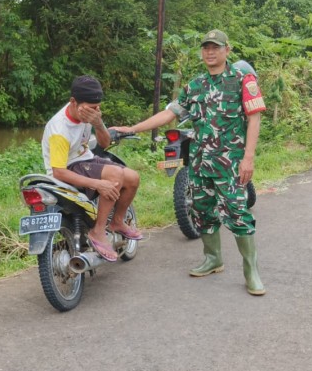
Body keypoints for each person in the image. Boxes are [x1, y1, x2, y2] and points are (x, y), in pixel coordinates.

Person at [114, 29, 266, 295]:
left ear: (227, 50)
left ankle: (250, 270)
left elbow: (254, 118)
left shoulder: (242, 79)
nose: (210, 52)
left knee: (238, 213)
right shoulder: (195, 86)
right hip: (199, 162)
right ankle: (213, 258)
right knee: (202, 210)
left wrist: (248, 158)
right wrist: (133, 128)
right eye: (206, 47)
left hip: (230, 163)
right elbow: (169, 114)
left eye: (216, 47)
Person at [41, 75, 142, 262]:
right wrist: (98, 183)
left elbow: (103, 143)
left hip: (86, 159)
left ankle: (117, 221)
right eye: (91, 108)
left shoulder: (89, 116)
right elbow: (58, 171)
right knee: (115, 175)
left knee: (133, 178)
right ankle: (97, 232)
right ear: (73, 102)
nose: (94, 112)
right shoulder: (59, 129)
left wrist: (98, 123)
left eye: (98, 108)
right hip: (67, 169)